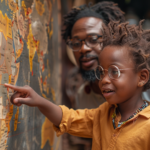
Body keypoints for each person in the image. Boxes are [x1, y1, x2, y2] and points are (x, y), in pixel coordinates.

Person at [5, 20, 150, 149]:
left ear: (142, 77)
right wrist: (38, 100)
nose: (104, 80)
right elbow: (69, 119)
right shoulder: (104, 114)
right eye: (101, 72)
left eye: (114, 71)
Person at [63, 2, 125, 149]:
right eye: (76, 43)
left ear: (112, 39)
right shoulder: (82, 97)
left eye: (94, 39)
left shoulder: (141, 86)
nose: (83, 48)